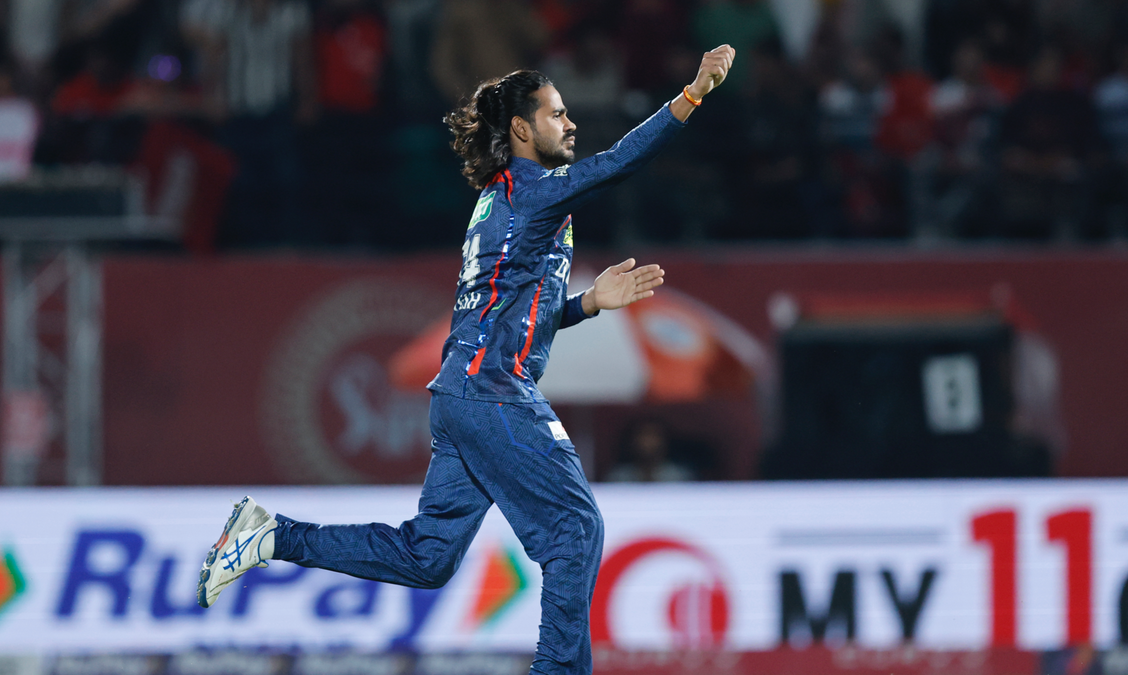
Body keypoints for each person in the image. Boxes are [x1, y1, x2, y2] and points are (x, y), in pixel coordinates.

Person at [196, 45, 736, 675]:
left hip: (464, 395)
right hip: (493, 391)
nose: (571, 124)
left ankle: (269, 535)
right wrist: (692, 94)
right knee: (575, 528)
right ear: (522, 130)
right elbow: (618, 163)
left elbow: (509, 309)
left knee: (427, 557)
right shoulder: (533, 192)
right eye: (557, 114)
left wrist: (587, 303)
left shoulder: (498, 199)